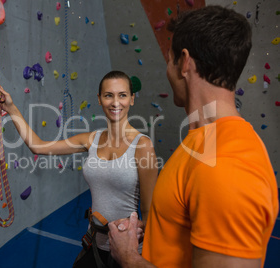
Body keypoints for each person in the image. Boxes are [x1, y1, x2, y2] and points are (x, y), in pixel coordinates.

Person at [108, 5, 279, 268]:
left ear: (184, 62)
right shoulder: (203, 141)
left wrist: (129, 258)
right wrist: (160, 227)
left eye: (169, 59)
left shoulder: (227, 162)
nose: (168, 70)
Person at [0, 71, 158, 267]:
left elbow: (149, 211)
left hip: (127, 250)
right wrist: (12, 108)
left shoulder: (142, 146)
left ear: (132, 99)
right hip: (95, 243)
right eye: (108, 95)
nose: (116, 102)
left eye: (122, 95)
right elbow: (38, 146)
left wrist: (141, 257)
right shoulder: (92, 139)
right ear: (99, 99)